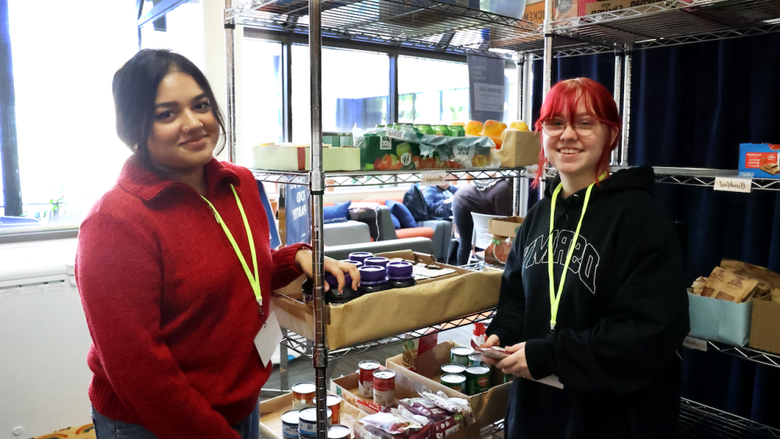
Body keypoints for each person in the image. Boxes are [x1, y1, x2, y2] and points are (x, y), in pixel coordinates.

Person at [75, 49, 358, 439]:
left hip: (240, 400)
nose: (193, 123)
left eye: (201, 105)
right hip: (153, 421)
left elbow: (237, 272)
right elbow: (140, 373)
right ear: (134, 128)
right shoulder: (115, 222)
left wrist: (297, 260)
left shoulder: (239, 184)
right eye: (167, 114)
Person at [481, 78, 689, 438]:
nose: (568, 135)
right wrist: (502, 333)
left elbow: (647, 333)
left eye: (585, 123)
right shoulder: (538, 215)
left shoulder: (641, 218)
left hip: (609, 420)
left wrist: (553, 355)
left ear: (611, 135)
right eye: (556, 122)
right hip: (534, 413)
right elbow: (516, 296)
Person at [451, 178, 513, 265]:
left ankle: (461, 272)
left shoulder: (502, 187)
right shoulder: (504, 190)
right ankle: (462, 272)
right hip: (461, 201)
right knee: (465, 242)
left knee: (465, 243)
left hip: (461, 198)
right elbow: (505, 223)